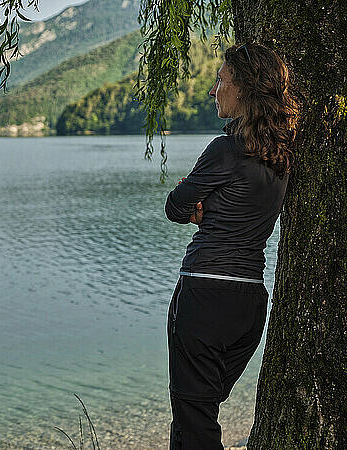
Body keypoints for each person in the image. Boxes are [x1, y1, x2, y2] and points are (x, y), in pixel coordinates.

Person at [164, 42, 300, 449]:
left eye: (220, 79)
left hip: (205, 293)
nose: (212, 90)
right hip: (249, 303)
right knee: (198, 412)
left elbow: (175, 206)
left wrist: (196, 211)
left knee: (193, 414)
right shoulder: (282, 155)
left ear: (242, 88)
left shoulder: (226, 149)